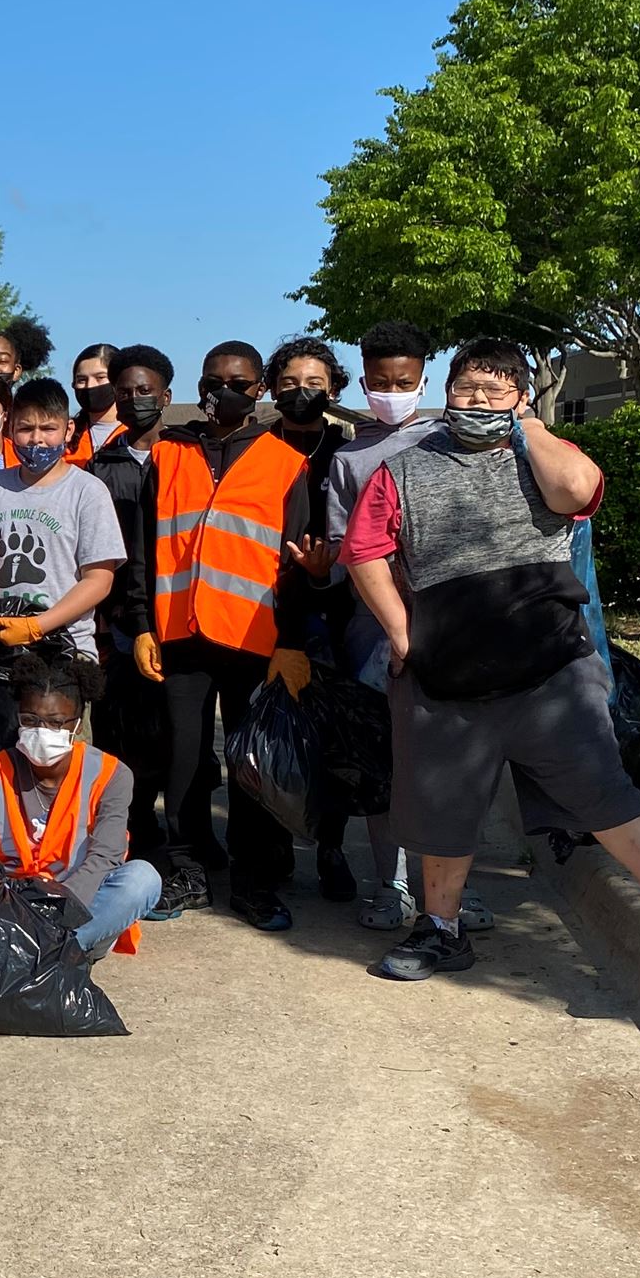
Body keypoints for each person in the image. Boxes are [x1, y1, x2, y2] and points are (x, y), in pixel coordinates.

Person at [343, 339, 640, 982]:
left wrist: (531, 429)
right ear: (447, 392)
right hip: (444, 673)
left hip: (550, 669)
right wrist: (403, 638)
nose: (477, 401)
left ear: (519, 396)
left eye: (495, 391)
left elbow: (577, 492)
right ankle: (440, 928)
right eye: (466, 389)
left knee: (602, 790)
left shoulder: (543, 456)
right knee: (442, 807)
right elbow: (364, 552)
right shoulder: (401, 468)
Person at [150, 341, 318, 931]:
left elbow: (296, 562)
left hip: (254, 641)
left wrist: (291, 641)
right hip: (180, 635)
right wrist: (146, 626)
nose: (225, 390)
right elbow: (148, 550)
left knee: (251, 764)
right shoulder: (168, 456)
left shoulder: (285, 462)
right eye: (215, 379)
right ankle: (190, 869)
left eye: (239, 382)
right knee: (185, 760)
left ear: (259, 390)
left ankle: (253, 881)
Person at [327, 319, 450, 931]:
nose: (391, 390)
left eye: (403, 381)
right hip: (371, 633)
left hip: (450, 628)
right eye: (379, 381)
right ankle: (391, 884)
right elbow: (341, 550)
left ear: (424, 377)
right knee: (385, 763)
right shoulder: (349, 457)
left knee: (450, 764)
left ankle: (446, 889)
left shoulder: (455, 442)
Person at [0, 652, 167, 959]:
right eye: (30, 721)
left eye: (55, 723)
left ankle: (37, 953)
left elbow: (105, 859)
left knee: (142, 880)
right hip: (11, 903)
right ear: (18, 717)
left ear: (76, 723)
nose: (41, 731)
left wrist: (53, 914)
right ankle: (47, 957)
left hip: (78, 905)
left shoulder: (111, 775)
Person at [265, 336, 359, 900]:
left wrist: (325, 573)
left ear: (334, 390)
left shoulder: (344, 452)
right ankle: (273, 851)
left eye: (314, 384)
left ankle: (331, 847)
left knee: (332, 740)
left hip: (335, 610)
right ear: (272, 389)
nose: (301, 393)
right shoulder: (255, 448)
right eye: (290, 383)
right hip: (264, 609)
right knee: (276, 736)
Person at [0, 378, 125, 659]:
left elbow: (99, 579)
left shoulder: (89, 492)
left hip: (65, 647)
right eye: (26, 429)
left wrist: (37, 626)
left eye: (48, 429)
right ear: (10, 429)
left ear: (68, 430)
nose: (36, 439)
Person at [84, 346, 175, 871]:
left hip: (182, 615)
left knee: (179, 738)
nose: (135, 400)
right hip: (120, 624)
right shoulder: (103, 464)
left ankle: (190, 839)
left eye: (145, 391)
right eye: (125, 392)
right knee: (123, 736)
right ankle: (134, 829)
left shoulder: (187, 454)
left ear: (165, 395)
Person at [65, 343, 121, 466]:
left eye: (100, 377)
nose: (90, 386)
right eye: (82, 380)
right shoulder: (64, 435)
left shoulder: (136, 436)